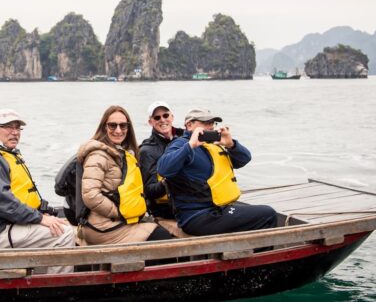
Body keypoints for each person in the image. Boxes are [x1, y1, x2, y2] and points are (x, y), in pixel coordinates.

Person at [0, 109, 76, 273]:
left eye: (18, 128)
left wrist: (44, 215)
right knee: (64, 234)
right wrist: (38, 218)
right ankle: (59, 288)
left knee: (60, 225)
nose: (15, 132)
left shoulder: (5, 154)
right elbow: (1, 202)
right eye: (8, 127)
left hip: (6, 225)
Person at [156, 107, 277, 236]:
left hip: (218, 210)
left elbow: (244, 160)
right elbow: (164, 169)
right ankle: (261, 254)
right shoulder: (181, 144)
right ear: (189, 125)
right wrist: (190, 145)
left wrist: (231, 145)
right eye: (205, 123)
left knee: (260, 213)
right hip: (197, 217)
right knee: (268, 214)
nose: (210, 126)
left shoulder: (212, 145)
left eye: (212, 123)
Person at [77, 105, 173, 245]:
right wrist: (119, 212)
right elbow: (90, 195)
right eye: (112, 125)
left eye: (123, 126)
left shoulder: (120, 153)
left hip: (115, 223)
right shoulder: (98, 155)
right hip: (103, 228)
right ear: (104, 127)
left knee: (158, 228)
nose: (118, 130)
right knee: (161, 236)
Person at [138, 101, 184, 234]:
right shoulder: (146, 151)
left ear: (172, 117)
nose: (162, 120)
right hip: (168, 209)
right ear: (150, 122)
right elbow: (149, 190)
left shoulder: (186, 138)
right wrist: (169, 181)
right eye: (157, 117)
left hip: (193, 200)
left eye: (165, 115)